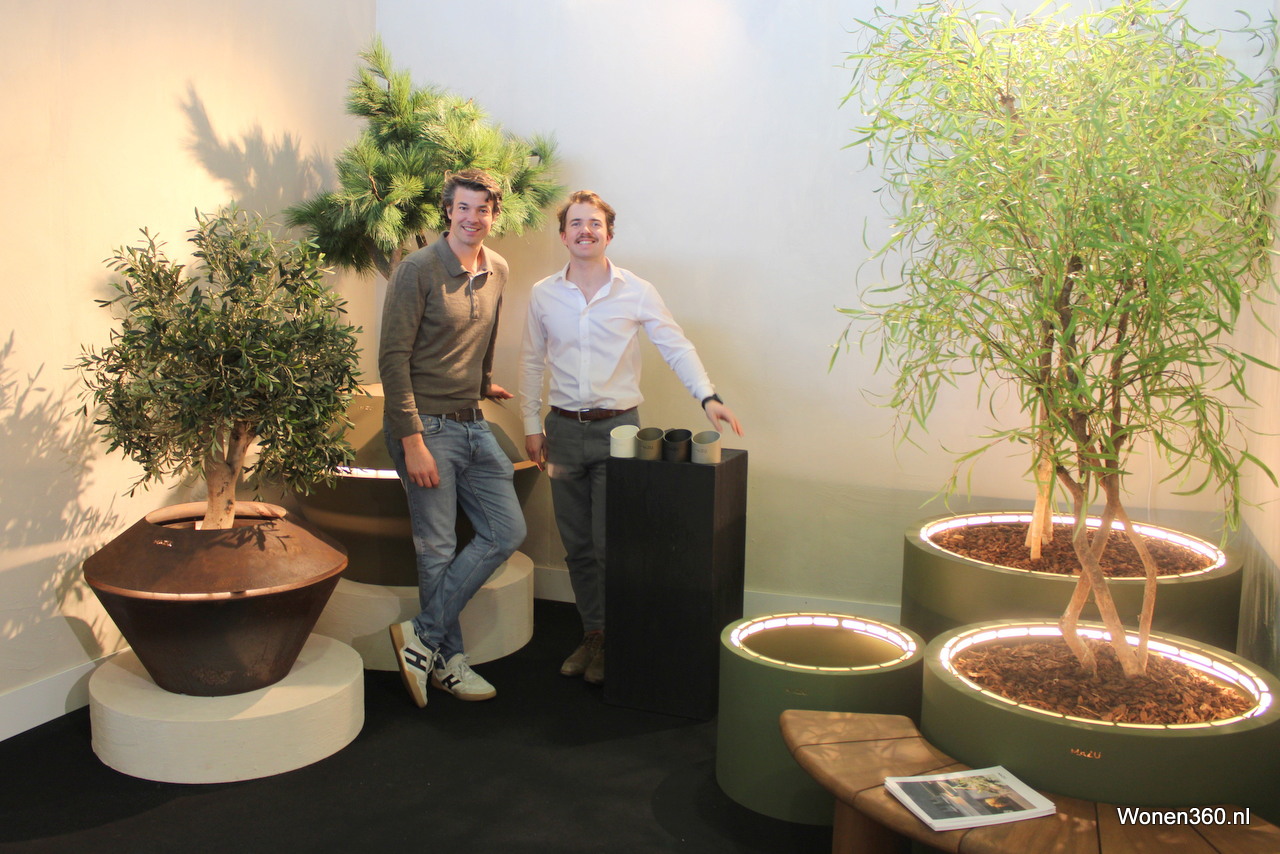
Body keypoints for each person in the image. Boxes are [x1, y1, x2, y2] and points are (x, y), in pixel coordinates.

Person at [519, 190, 743, 685]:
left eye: (594, 223)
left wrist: (708, 397)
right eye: (576, 223)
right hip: (561, 431)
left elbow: (675, 346)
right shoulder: (543, 294)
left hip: (619, 432)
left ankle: (619, 637)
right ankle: (594, 633)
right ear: (563, 235)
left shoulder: (636, 290)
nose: (585, 230)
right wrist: (532, 425)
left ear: (609, 233)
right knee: (577, 545)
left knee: (610, 544)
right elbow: (532, 361)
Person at [380, 169, 526, 708]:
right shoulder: (416, 270)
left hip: (472, 422)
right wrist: (412, 440)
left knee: (506, 531)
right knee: (438, 547)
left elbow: (485, 335)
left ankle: (421, 634)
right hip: (427, 426)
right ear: (448, 210)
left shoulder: (498, 269)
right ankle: (449, 662)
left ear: (494, 214)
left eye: (483, 209)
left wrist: (483, 382)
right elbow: (393, 359)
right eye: (463, 207)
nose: (472, 218)